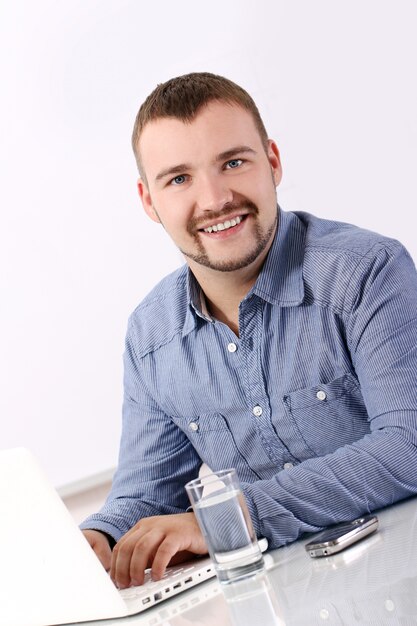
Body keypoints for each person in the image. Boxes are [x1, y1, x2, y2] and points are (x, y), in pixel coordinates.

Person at [80, 72, 417, 590]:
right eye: (179, 179)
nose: (215, 199)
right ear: (149, 202)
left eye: (233, 162)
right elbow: (147, 494)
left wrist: (235, 516)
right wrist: (99, 538)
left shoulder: (367, 271)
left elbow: (407, 445)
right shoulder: (150, 338)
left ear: (273, 162)